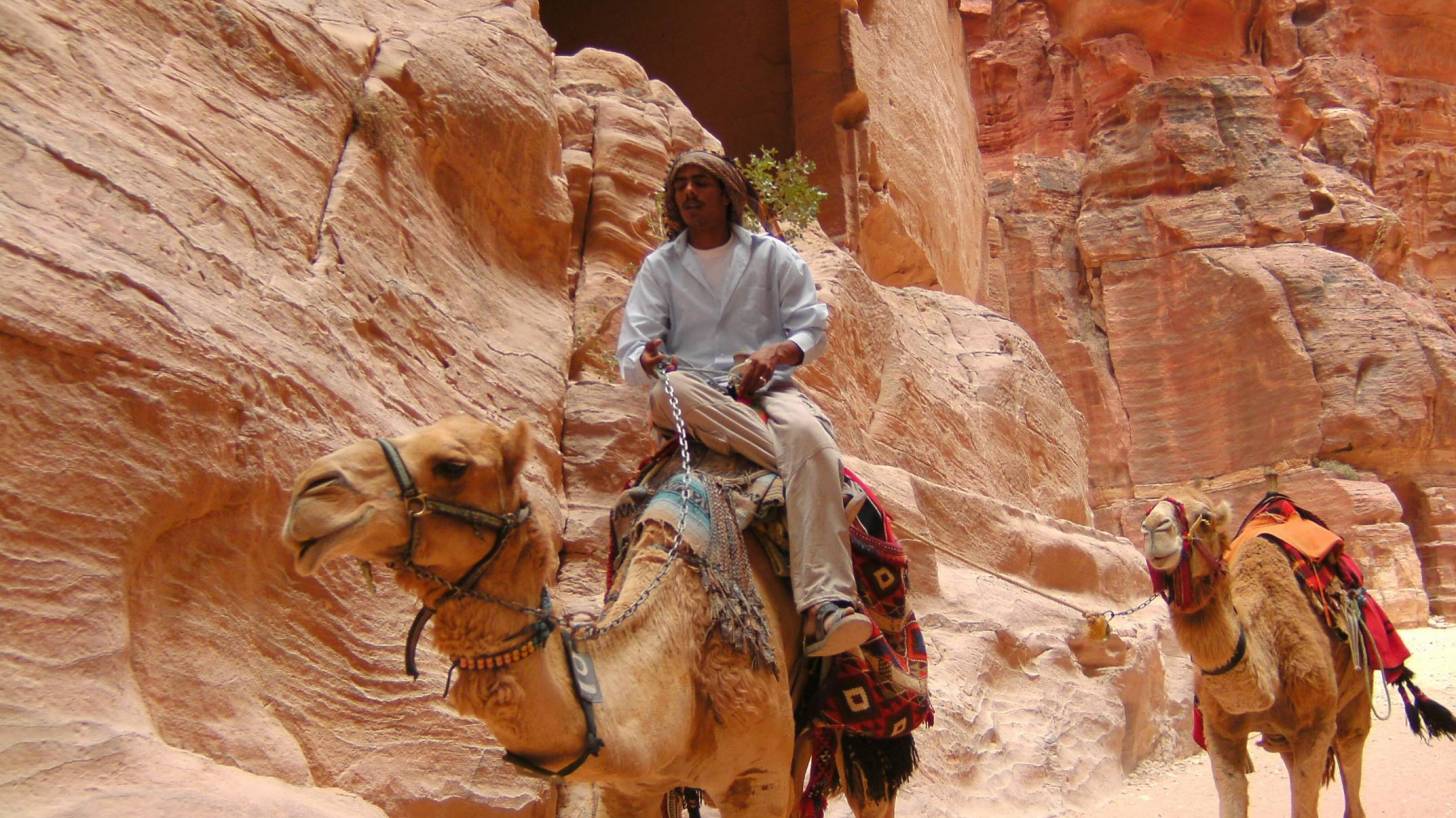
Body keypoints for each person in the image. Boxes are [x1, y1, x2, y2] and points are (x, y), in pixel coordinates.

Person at [615, 149, 872, 657]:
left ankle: (827, 605)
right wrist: (647, 361)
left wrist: (776, 352)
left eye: (701, 183)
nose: (688, 192)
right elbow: (632, 349)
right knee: (672, 394)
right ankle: (819, 485)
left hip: (768, 387)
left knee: (811, 436)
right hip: (691, 390)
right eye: (681, 184)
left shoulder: (772, 257)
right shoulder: (659, 267)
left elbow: (812, 325)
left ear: (727, 194)